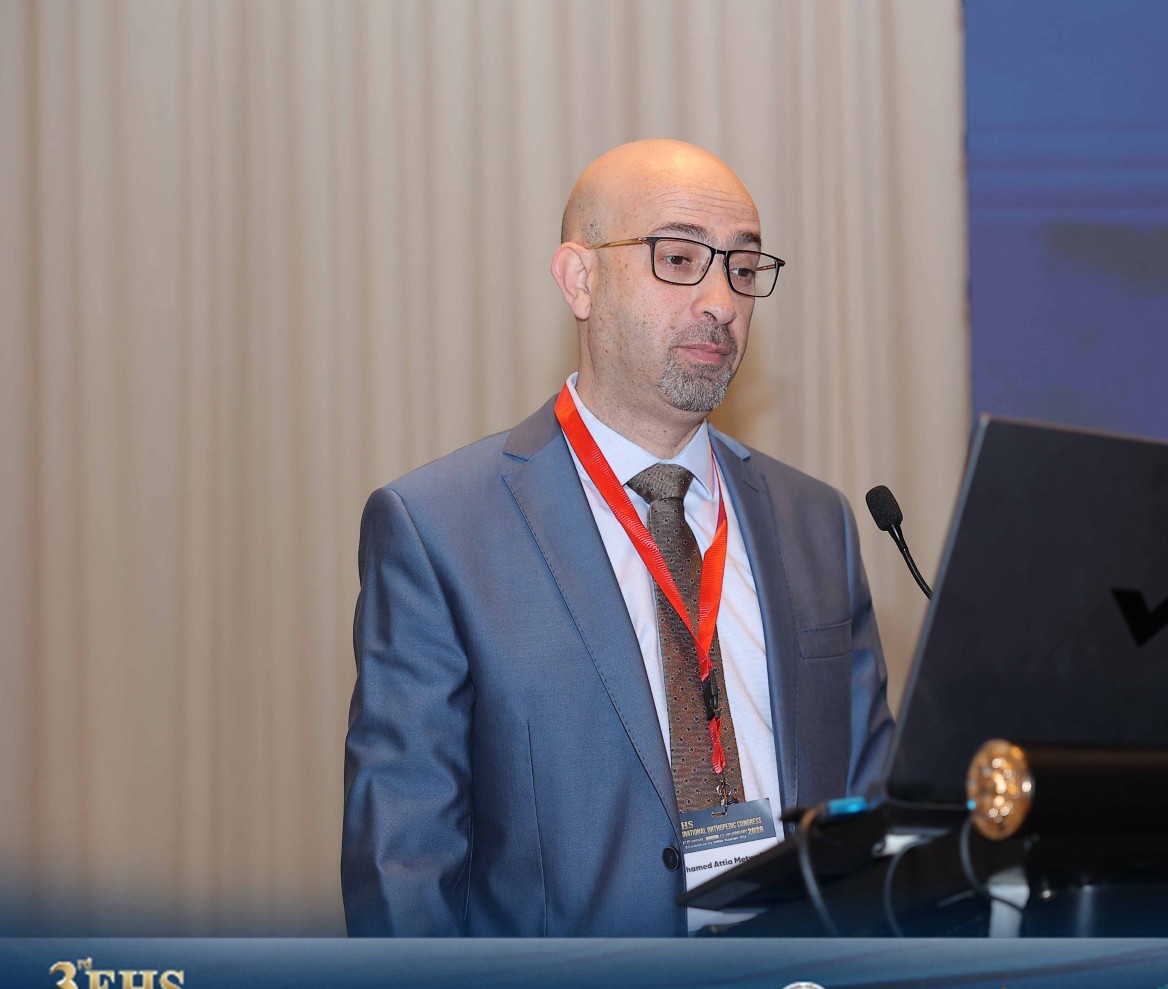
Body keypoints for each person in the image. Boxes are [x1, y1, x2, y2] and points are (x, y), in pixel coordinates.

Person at [341, 139, 894, 936]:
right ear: (580, 279)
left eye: (743, 268)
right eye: (679, 259)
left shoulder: (817, 521)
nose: (721, 301)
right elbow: (405, 870)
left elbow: (872, 812)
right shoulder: (440, 530)